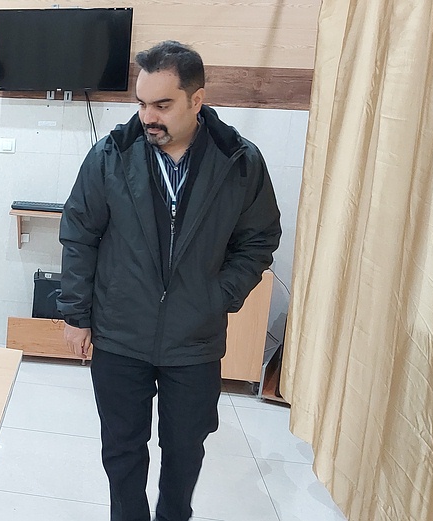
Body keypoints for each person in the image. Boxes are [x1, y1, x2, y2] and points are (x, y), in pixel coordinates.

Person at [58, 40, 281, 521]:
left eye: (162, 105)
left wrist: (219, 295)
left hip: (193, 340)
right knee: (122, 450)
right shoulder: (111, 155)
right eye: (141, 103)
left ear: (196, 100)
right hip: (120, 332)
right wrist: (76, 314)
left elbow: (259, 239)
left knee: (185, 450)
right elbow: (79, 233)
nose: (148, 117)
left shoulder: (239, 162)